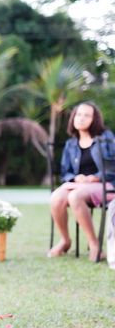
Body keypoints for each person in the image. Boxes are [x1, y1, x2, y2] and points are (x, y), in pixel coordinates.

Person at [48, 101, 115, 260]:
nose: (81, 118)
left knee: (75, 196)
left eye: (87, 115)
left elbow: (113, 165)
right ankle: (65, 240)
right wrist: (75, 177)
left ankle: (94, 245)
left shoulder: (106, 138)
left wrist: (96, 177)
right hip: (78, 184)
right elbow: (66, 171)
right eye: (78, 114)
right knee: (57, 197)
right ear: (73, 118)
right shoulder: (71, 144)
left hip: (105, 184)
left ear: (94, 119)